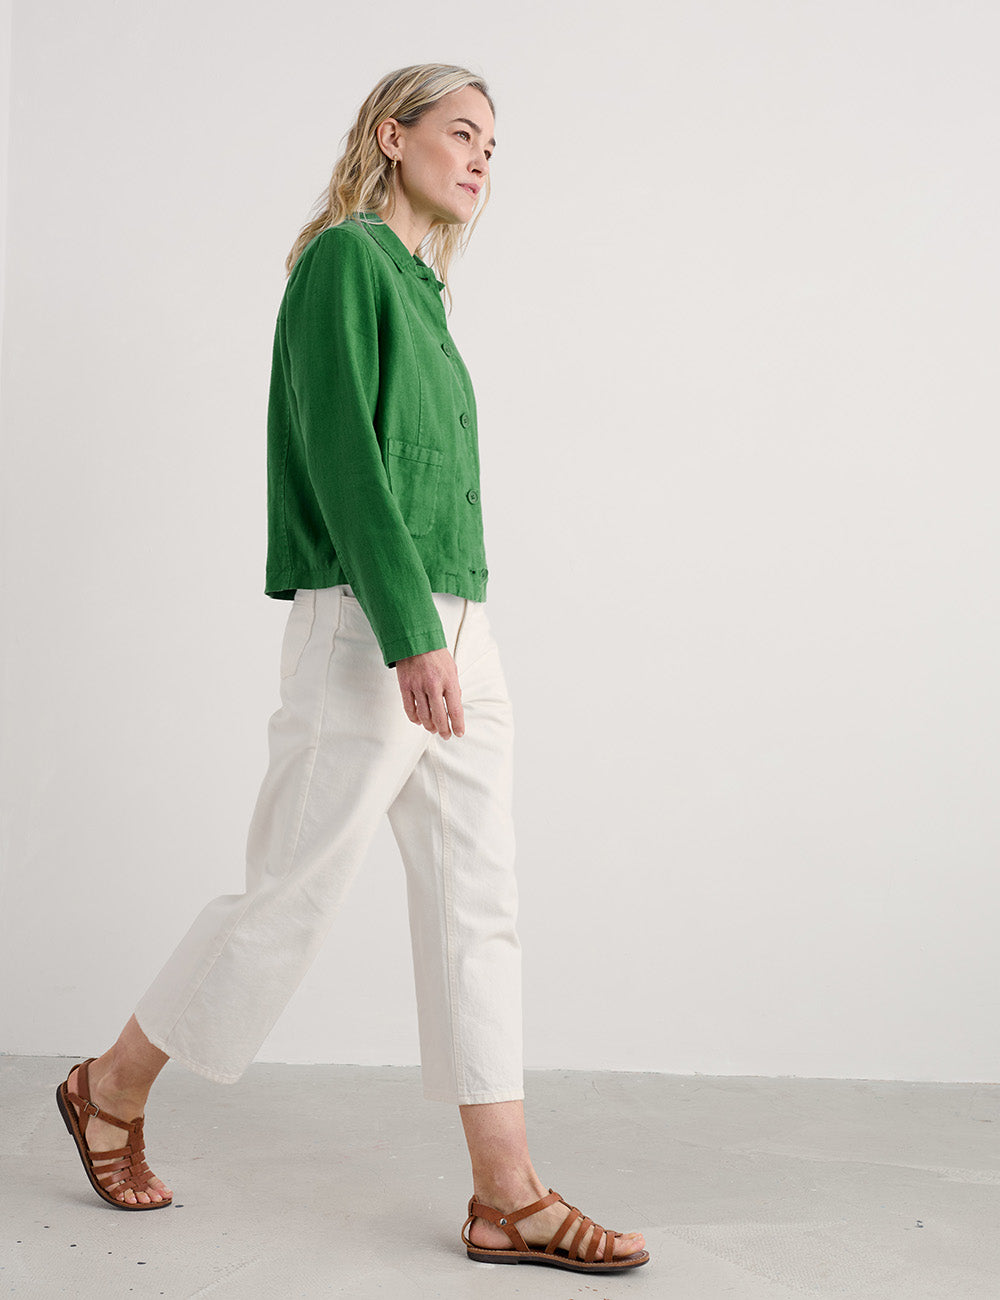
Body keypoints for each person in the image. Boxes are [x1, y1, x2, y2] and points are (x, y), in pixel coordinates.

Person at [55, 63, 649, 1275]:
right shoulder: (342, 261)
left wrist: (448, 627)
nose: (481, 160)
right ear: (391, 135)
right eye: (461, 133)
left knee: (479, 898)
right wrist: (407, 628)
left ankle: (506, 1195)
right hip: (373, 621)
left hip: (461, 622)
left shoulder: (425, 292)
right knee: (293, 889)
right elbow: (342, 455)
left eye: (494, 146)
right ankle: (108, 1086)